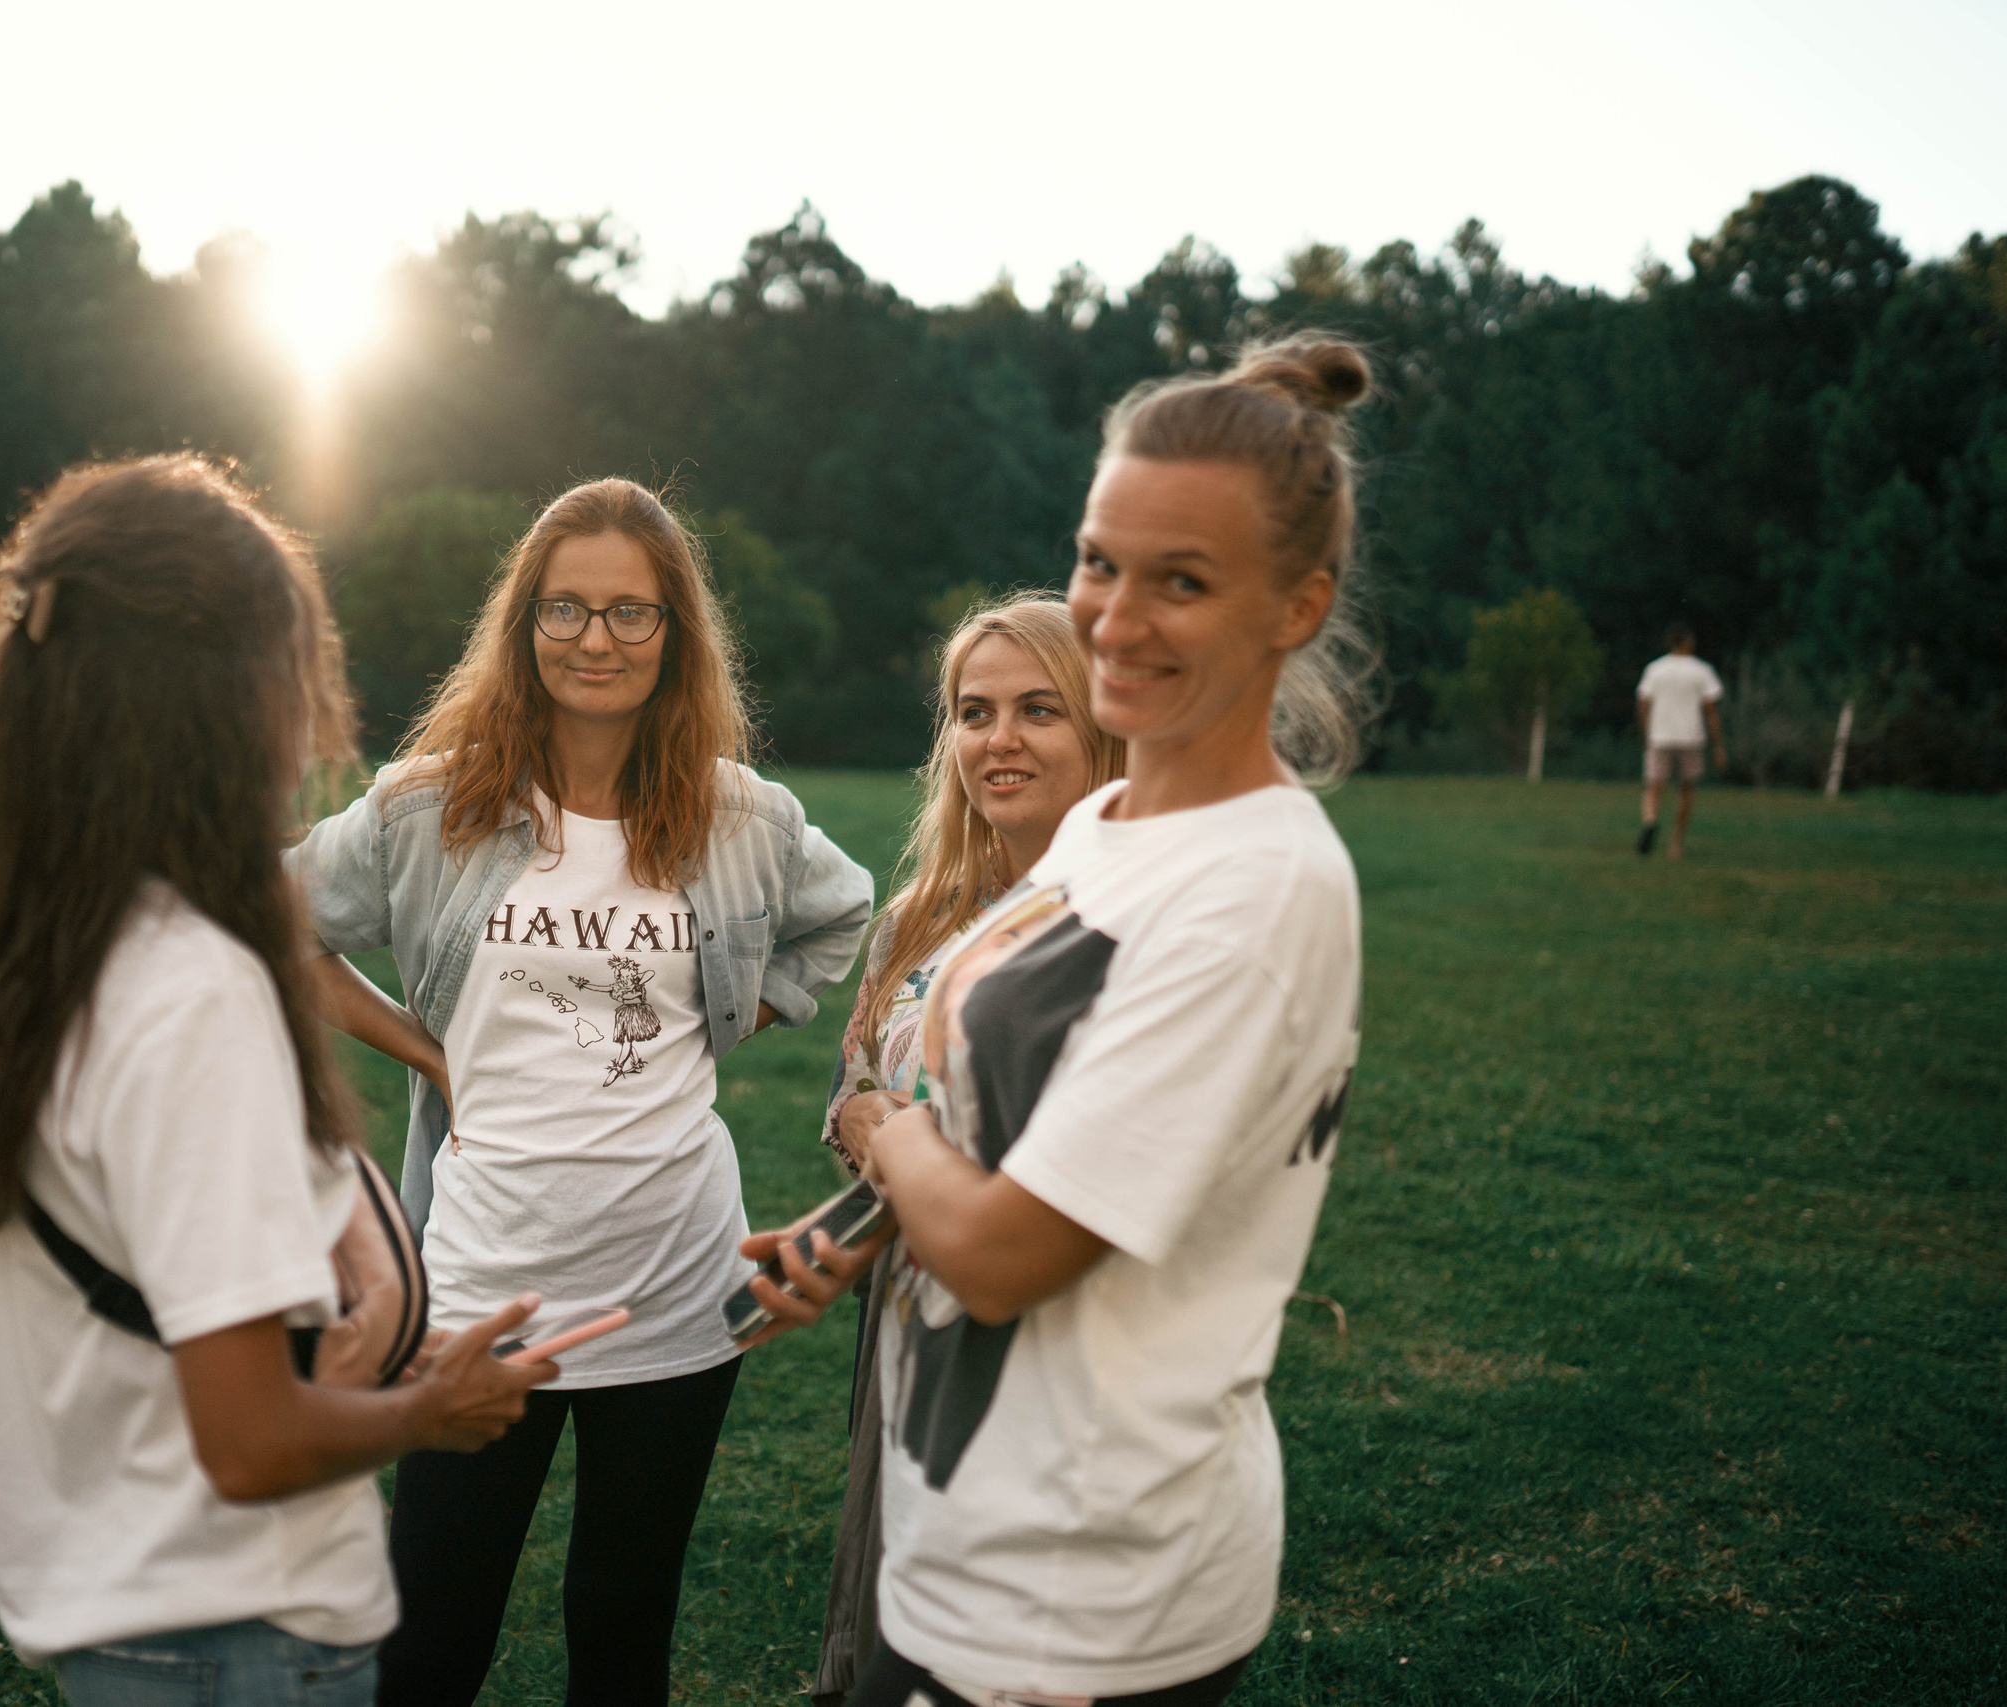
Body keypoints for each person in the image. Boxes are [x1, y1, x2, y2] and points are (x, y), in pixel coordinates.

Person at [743, 335, 1373, 1707]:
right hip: (957, 1512)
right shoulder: (1104, 819)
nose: (1117, 618)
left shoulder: (1259, 887)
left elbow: (1008, 1254)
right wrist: (862, 1233)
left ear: (1299, 603)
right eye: (1101, 561)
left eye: (1184, 581)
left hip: (1082, 1583)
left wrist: (886, 1138)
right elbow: (1008, 1125)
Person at [0, 457, 556, 1706]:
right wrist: (437, 1409)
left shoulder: (34, 950)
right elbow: (252, 1443)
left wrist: (352, 1338)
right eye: (294, 674)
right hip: (237, 1638)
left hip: (121, 1623)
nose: (309, 725)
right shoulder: (192, 991)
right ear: (214, 695)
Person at [284, 476, 873, 1705]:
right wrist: (430, 1053)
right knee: (432, 1633)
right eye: (564, 609)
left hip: (674, 1278)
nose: (594, 639)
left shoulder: (738, 816)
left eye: (629, 613)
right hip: (483, 1275)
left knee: (622, 1625)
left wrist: (729, 1017)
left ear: (674, 636)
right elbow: (268, 919)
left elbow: (842, 911)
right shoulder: (429, 806)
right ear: (524, 625)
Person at [809, 594, 1124, 1707]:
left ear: (1102, 728)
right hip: (899, 1312)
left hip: (1043, 1337)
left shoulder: (1116, 923)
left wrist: (899, 1142)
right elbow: (857, 1087)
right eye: (972, 711)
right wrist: (869, 1133)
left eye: (1039, 709)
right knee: (892, 1603)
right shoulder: (918, 916)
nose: (999, 740)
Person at [1635, 624, 1725, 857]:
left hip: (1660, 736)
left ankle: (1651, 820)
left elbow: (1643, 703)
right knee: (1686, 790)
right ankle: (1676, 844)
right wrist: (1718, 745)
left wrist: (1646, 733)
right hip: (1690, 737)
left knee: (1655, 786)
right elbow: (1711, 710)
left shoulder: (1655, 669)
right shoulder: (1702, 670)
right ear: (1688, 642)